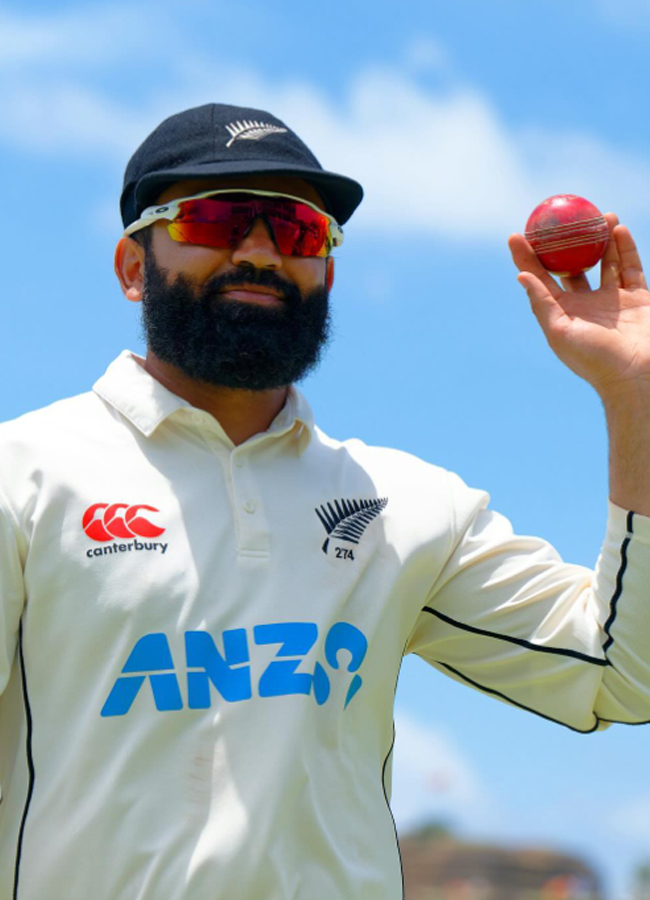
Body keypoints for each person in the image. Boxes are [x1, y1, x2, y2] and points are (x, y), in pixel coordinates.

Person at [0, 102, 649, 900]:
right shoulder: (21, 476)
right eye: (218, 220)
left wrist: (635, 396)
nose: (262, 252)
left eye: (298, 232)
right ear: (134, 266)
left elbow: (622, 675)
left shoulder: (403, 504)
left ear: (327, 271)